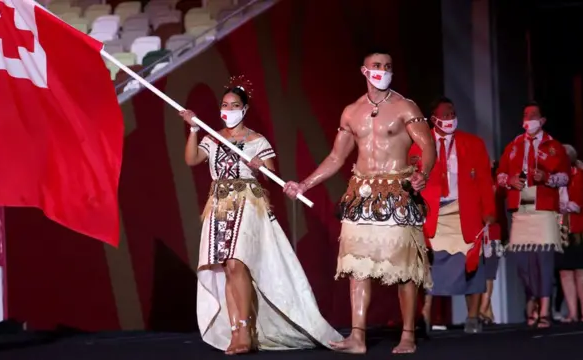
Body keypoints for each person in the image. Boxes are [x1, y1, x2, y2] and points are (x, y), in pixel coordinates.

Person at [283, 49, 435, 354]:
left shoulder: (406, 107)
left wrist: (424, 173)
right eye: (377, 66)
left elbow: (427, 144)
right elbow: (337, 157)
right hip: (362, 193)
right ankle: (357, 337)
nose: (382, 70)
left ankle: (408, 335)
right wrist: (304, 183)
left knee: (403, 267)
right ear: (364, 71)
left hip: (398, 191)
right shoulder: (351, 112)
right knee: (357, 267)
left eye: (388, 66)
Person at [181, 76, 343, 355]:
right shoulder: (213, 136)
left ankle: (245, 331)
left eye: (234, 105)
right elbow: (192, 159)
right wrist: (194, 130)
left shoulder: (257, 140)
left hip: (247, 203)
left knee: (237, 262)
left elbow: (271, 177)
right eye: (224, 105)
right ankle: (236, 331)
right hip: (219, 205)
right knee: (227, 267)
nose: (228, 110)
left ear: (244, 110)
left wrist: (259, 167)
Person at [412, 97, 495, 334]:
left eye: (453, 114)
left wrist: (489, 212)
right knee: (428, 265)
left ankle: (473, 317)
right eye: (445, 115)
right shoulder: (419, 143)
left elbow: (483, 181)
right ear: (433, 118)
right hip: (432, 213)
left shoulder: (474, 143)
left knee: (473, 262)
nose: (450, 119)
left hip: (464, 211)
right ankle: (424, 317)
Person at [496, 102, 570, 329]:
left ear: (543, 120)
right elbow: (500, 174)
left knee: (544, 263)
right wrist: (509, 180)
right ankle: (534, 299)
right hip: (521, 210)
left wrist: (546, 178)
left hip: (544, 210)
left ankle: (545, 311)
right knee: (523, 265)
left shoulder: (554, 147)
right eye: (526, 115)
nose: (529, 120)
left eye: (534, 116)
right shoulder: (514, 145)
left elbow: (565, 177)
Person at [555, 144, 583, 323]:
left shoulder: (579, 175)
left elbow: (576, 203)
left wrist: (561, 206)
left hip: (579, 230)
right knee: (565, 272)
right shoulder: (556, 180)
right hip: (561, 230)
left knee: (581, 272)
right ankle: (572, 312)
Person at [479, 161, 507, 325]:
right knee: (478, 273)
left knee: (489, 273)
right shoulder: (475, 185)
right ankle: (487, 312)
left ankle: (483, 309)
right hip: (477, 233)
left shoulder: (497, 185)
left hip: (492, 232)